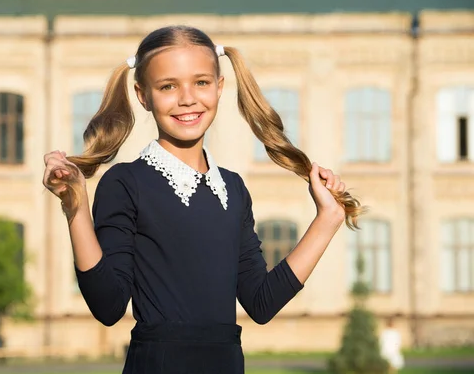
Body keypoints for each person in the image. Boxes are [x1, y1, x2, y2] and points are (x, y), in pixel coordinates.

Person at [42, 25, 365, 374]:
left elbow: (261, 302)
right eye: (168, 86)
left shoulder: (234, 189)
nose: (187, 98)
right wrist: (74, 206)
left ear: (220, 87)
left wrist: (328, 218)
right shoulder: (125, 182)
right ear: (143, 95)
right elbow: (107, 306)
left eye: (201, 82)